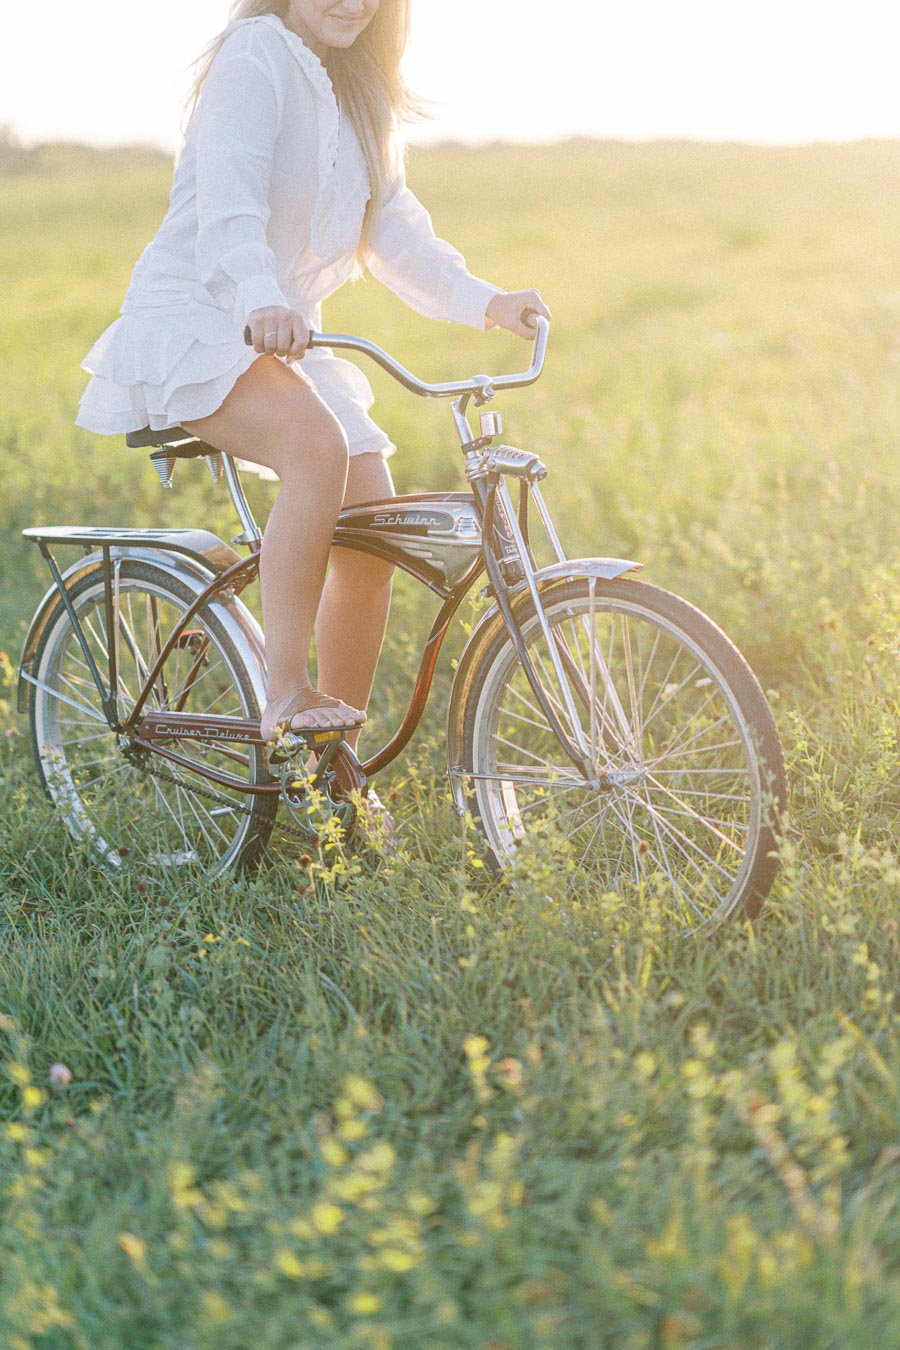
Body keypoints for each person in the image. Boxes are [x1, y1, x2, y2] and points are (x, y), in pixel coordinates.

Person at [77, 0, 550, 747]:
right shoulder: (254, 56)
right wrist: (261, 298)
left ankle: (334, 767)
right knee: (317, 450)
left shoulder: (361, 89)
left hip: (282, 329)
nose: (354, 3)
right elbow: (227, 206)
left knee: (370, 530)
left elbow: (395, 231)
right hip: (203, 317)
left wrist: (489, 303)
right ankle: (285, 691)